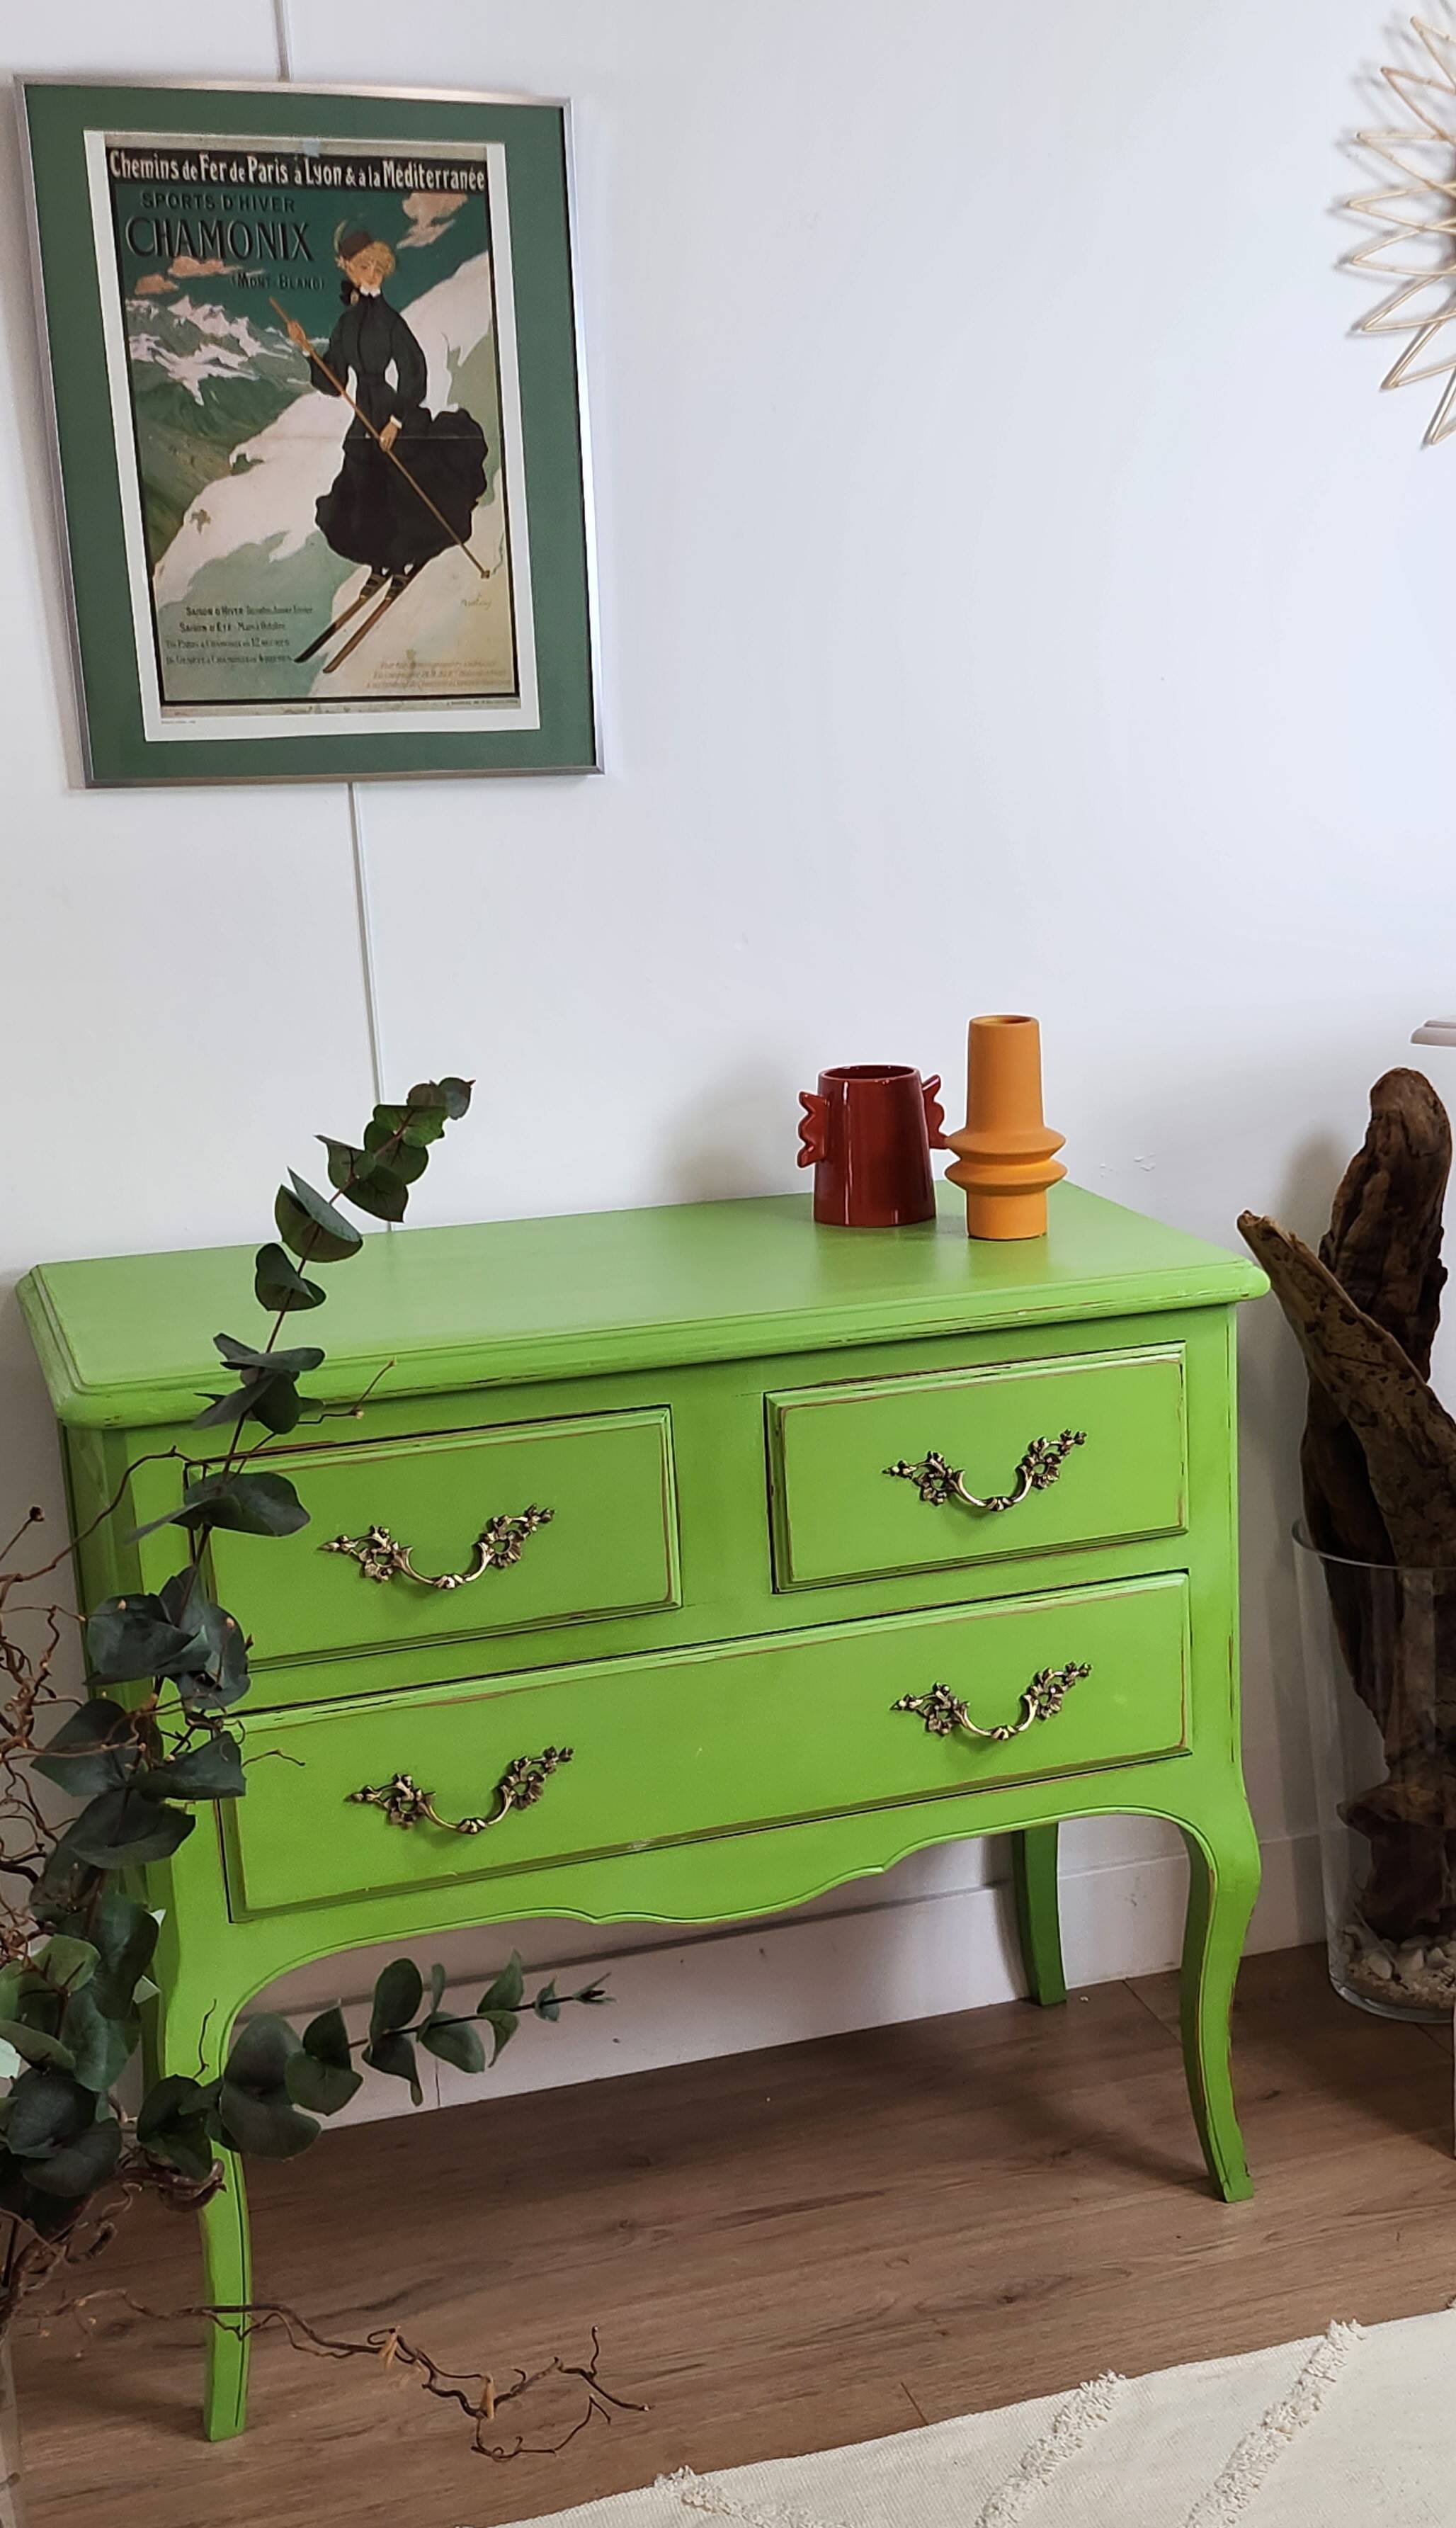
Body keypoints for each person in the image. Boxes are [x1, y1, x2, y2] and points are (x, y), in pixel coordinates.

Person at [285, 226, 487, 594]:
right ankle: (380, 564)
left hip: (395, 414)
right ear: (346, 266)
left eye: (379, 267)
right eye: (365, 266)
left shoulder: (390, 321)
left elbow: (415, 371)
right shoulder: (345, 324)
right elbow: (335, 383)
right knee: (363, 497)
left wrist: (396, 421)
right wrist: (305, 351)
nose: (373, 274)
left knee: (399, 497)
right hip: (363, 417)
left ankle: (399, 566)